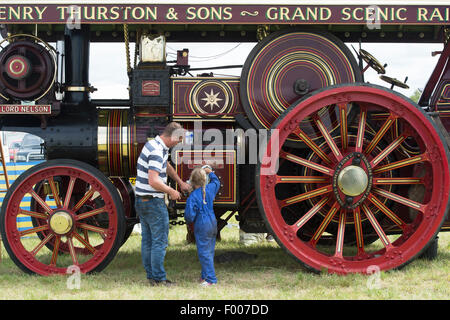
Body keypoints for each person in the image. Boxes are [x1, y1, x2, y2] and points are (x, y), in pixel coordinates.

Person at [135, 122, 191, 286]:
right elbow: (153, 181)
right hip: (153, 202)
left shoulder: (153, 145)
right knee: (159, 242)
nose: (178, 143)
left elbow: (165, 166)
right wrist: (171, 191)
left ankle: (151, 277)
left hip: (141, 199)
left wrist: (180, 182)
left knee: (147, 240)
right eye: (178, 140)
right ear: (172, 137)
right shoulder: (157, 151)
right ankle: (159, 278)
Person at [184, 164, 221, 287]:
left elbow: (189, 216)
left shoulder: (192, 196)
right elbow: (216, 181)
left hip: (202, 224)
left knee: (204, 253)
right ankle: (205, 275)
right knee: (209, 251)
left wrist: (190, 222)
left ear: (192, 182)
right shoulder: (210, 189)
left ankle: (211, 279)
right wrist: (210, 172)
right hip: (212, 222)